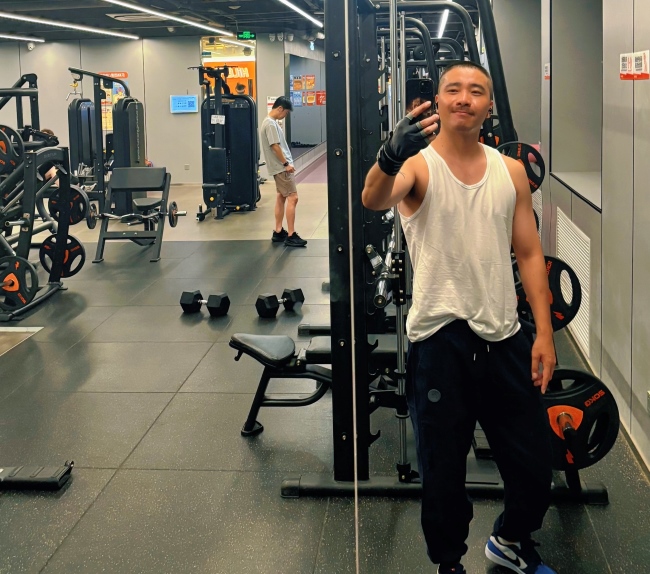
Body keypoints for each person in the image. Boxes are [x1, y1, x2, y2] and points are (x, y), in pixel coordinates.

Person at [361, 62, 557, 574]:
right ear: (439, 102)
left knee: (534, 466)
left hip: (505, 336)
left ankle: (510, 540)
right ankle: (449, 563)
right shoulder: (417, 166)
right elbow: (373, 197)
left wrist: (545, 334)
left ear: (488, 105)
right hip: (439, 343)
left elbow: (529, 254)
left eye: (476, 91)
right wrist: (388, 155)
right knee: (442, 475)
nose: (464, 98)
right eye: (453, 89)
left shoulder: (510, 172)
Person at [259, 96, 307, 247]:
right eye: (285, 113)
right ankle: (291, 235)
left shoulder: (269, 122)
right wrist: (286, 164)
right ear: (280, 108)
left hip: (278, 167)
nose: (285, 116)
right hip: (281, 168)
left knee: (281, 196)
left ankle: (278, 231)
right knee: (293, 197)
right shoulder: (270, 124)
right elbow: (275, 146)